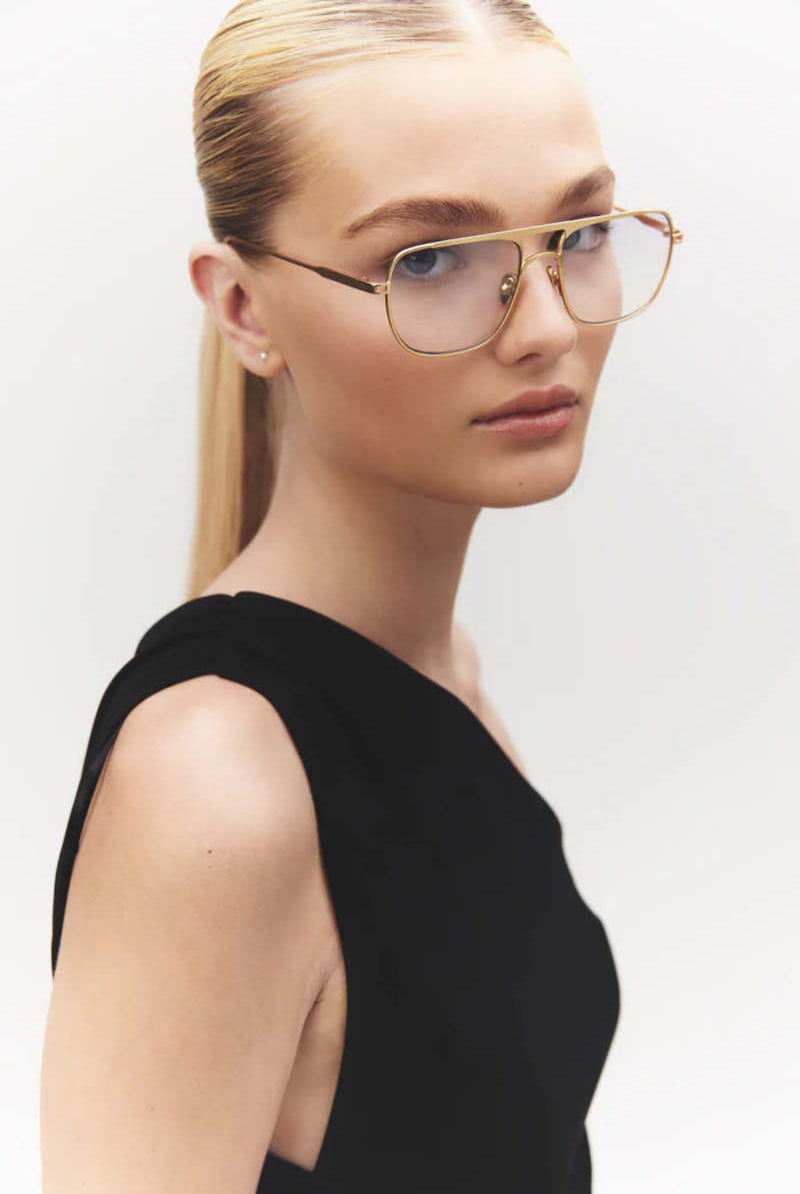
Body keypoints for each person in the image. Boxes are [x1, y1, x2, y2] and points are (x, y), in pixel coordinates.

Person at [40, 2, 683, 1192]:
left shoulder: (442, 680)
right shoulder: (217, 778)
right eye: (429, 260)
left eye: (578, 229)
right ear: (242, 309)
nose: (546, 326)